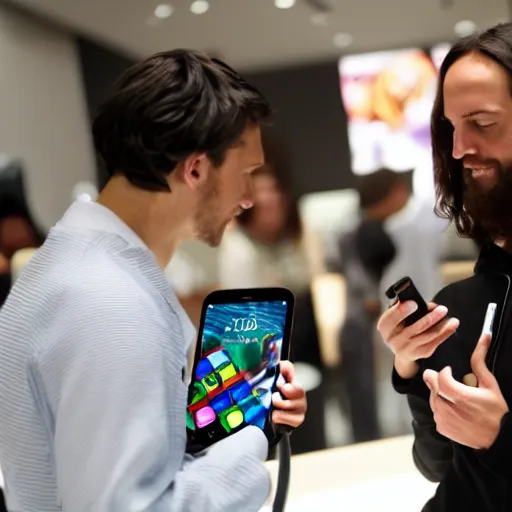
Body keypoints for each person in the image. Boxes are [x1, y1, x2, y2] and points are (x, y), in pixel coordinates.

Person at [0, 49, 307, 512]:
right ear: (197, 169)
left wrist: (200, 427)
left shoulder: (67, 268)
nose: (248, 198)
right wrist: (245, 443)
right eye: (246, 174)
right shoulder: (110, 303)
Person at [377, 22, 512, 511]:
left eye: (482, 122)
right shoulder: (462, 303)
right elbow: (436, 464)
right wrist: (412, 365)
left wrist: (500, 436)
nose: (459, 150)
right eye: (452, 128)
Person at [337, 171, 398, 443]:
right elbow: (356, 271)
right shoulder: (362, 228)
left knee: (367, 390)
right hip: (360, 320)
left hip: (361, 319)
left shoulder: (359, 226)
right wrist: (369, 298)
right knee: (363, 391)